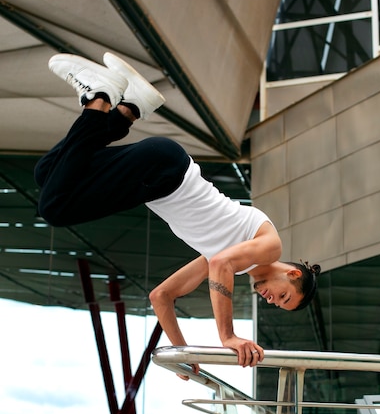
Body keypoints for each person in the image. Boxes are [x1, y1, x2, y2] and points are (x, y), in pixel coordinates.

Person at [35, 53, 320, 375]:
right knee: (55, 207)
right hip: (161, 175)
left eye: (276, 304)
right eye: (283, 296)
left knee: (47, 174)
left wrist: (184, 355)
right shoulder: (268, 247)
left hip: (159, 171)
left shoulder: (234, 257)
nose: (271, 299)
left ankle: (130, 108)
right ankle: (99, 96)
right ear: (292, 274)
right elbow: (219, 265)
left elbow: (162, 296)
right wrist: (227, 336)